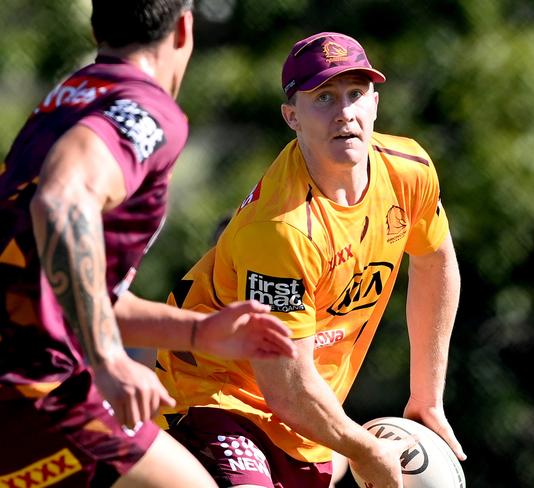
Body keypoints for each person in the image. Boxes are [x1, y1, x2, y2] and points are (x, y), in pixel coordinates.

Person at [0, 1, 296, 486]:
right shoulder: (149, 109)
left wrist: (197, 333)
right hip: (37, 387)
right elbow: (60, 203)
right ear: (184, 28)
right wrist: (109, 358)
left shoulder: (65, 99)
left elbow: (71, 291)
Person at [156, 31, 466, 488]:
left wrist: (427, 396)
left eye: (356, 94)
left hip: (308, 411)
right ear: (291, 117)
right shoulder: (282, 228)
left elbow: (436, 262)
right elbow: (286, 386)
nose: (345, 113)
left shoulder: (409, 170)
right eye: (323, 97)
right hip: (215, 392)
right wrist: (362, 448)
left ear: (375, 104)